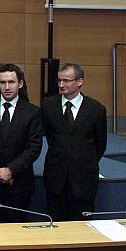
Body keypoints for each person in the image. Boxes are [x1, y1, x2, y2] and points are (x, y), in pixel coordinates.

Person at [42, 62, 107, 221]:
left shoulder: (96, 109)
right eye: (59, 81)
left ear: (79, 81)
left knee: (82, 229)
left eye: (66, 80)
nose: (61, 85)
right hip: (56, 180)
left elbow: (100, 145)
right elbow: (50, 136)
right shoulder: (48, 106)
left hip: (83, 180)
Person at [0, 64, 43, 222]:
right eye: (3, 83)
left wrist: (10, 170)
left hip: (19, 183)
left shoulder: (32, 112)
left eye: (11, 82)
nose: (7, 87)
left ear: (20, 84)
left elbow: (34, 148)